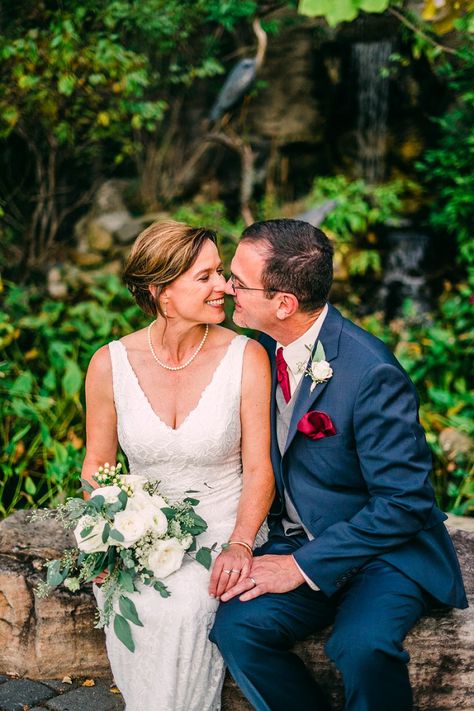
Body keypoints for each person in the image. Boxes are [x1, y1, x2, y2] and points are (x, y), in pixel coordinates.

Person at [211, 219, 467, 711]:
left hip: (384, 555)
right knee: (237, 629)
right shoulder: (258, 347)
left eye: (238, 281)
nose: (226, 288)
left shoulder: (372, 372)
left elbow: (405, 503)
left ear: (284, 302)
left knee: (361, 646)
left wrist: (300, 566)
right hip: (299, 538)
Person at [82, 220, 275, 711]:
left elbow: (260, 470)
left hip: (223, 526)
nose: (224, 288)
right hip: (139, 529)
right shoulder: (109, 364)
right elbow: (97, 465)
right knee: (132, 600)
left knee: (185, 608)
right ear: (161, 291)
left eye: (221, 273)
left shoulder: (246, 356)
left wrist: (240, 543)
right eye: (205, 276)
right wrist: (106, 538)